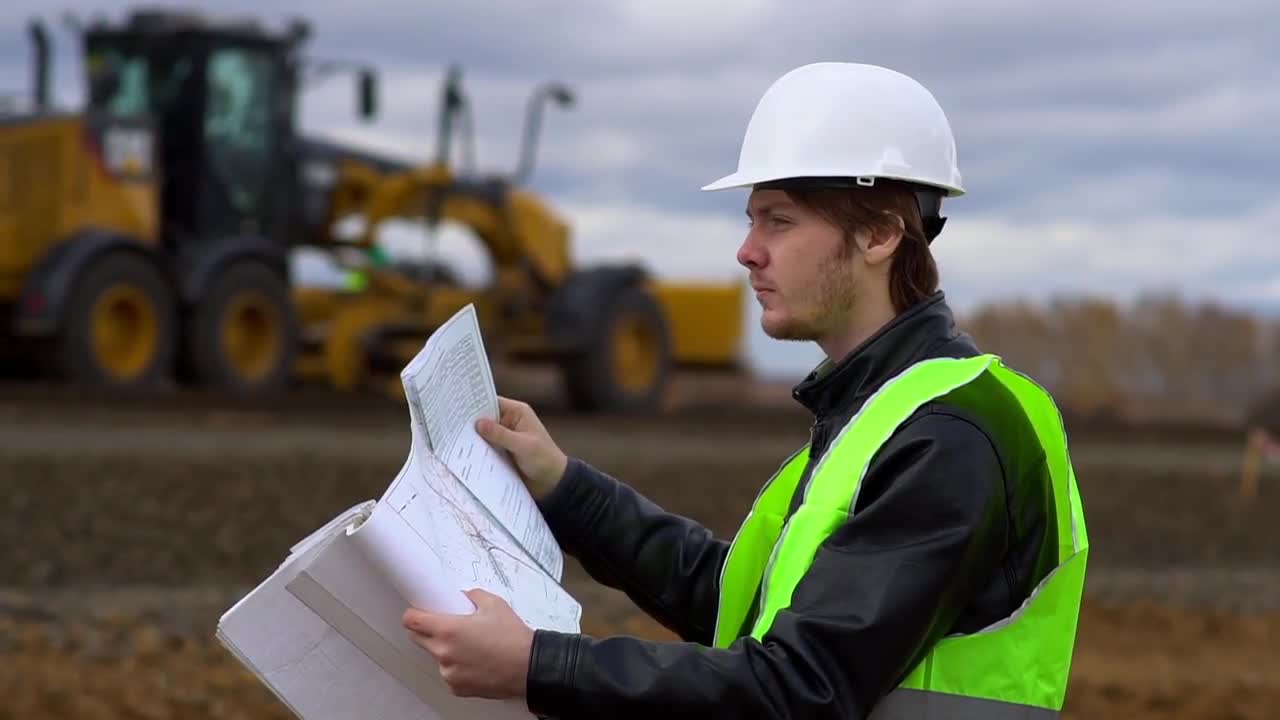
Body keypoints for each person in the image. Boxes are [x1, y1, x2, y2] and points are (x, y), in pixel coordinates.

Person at [401, 62, 1090, 719]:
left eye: (778, 220)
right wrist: (563, 488)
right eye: (750, 219)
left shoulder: (951, 434)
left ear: (880, 234)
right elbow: (733, 599)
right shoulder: (880, 415)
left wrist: (538, 665)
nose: (747, 250)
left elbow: (798, 689)